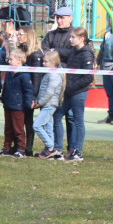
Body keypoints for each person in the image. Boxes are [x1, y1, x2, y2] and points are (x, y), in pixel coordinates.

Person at [57, 27, 94, 161]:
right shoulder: (73, 51)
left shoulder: (87, 54)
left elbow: (88, 77)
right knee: (57, 115)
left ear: (81, 39)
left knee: (78, 121)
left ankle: (78, 152)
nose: (70, 39)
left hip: (78, 93)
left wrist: (71, 87)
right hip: (69, 92)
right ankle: (58, 149)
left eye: (73, 37)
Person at [0, 49, 34, 157]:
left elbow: (28, 90)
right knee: (8, 128)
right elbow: (5, 87)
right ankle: (7, 147)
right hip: (8, 104)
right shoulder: (9, 73)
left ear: (19, 60)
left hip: (18, 106)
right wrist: (3, 98)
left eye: (11, 59)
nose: (9, 61)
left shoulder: (24, 74)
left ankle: (21, 149)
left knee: (18, 129)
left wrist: (28, 104)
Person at [33, 49, 65, 159]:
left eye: (45, 62)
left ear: (53, 62)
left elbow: (50, 92)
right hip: (46, 104)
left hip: (49, 105)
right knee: (48, 128)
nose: (43, 64)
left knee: (36, 126)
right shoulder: (50, 73)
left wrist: (40, 102)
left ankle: (51, 147)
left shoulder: (54, 75)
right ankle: (50, 151)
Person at [17, 26, 44, 155]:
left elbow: (36, 77)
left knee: (28, 121)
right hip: (20, 90)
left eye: (21, 34)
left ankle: (28, 147)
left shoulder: (36, 54)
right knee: (19, 120)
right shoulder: (21, 50)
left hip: (29, 92)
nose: (18, 36)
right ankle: (18, 145)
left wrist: (33, 96)